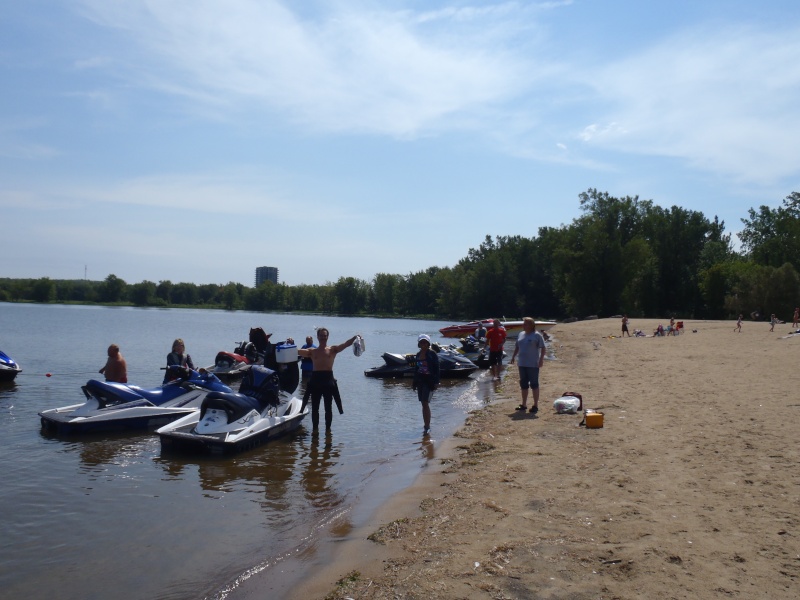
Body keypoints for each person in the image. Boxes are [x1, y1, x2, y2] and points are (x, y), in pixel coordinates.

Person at [298, 328, 359, 432]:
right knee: (315, 408)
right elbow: (297, 351)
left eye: (324, 335)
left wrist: (355, 337)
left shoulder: (332, 349)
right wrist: (289, 345)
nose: (323, 337)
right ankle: (315, 431)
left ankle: (327, 430)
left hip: (328, 381)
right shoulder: (312, 352)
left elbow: (345, 344)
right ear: (317, 337)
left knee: (328, 408)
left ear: (327, 337)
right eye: (321, 335)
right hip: (316, 381)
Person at [509, 317, 547, 415]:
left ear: (531, 325)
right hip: (521, 363)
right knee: (523, 384)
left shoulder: (537, 335)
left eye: (525, 324)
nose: (523, 325)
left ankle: (535, 405)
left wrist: (541, 359)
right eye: (523, 324)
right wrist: (513, 357)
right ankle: (524, 404)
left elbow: (543, 348)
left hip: (533, 364)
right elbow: (517, 346)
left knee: (534, 384)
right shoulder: (521, 334)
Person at [412, 334, 440, 436]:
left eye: (425, 342)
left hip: (429, 381)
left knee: (425, 402)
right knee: (423, 403)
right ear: (419, 344)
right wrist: (414, 382)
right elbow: (416, 369)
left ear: (428, 344)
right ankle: (425, 425)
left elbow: (437, 369)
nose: (423, 344)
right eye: (421, 342)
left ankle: (427, 426)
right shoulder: (418, 354)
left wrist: (437, 382)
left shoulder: (432, 354)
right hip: (420, 380)